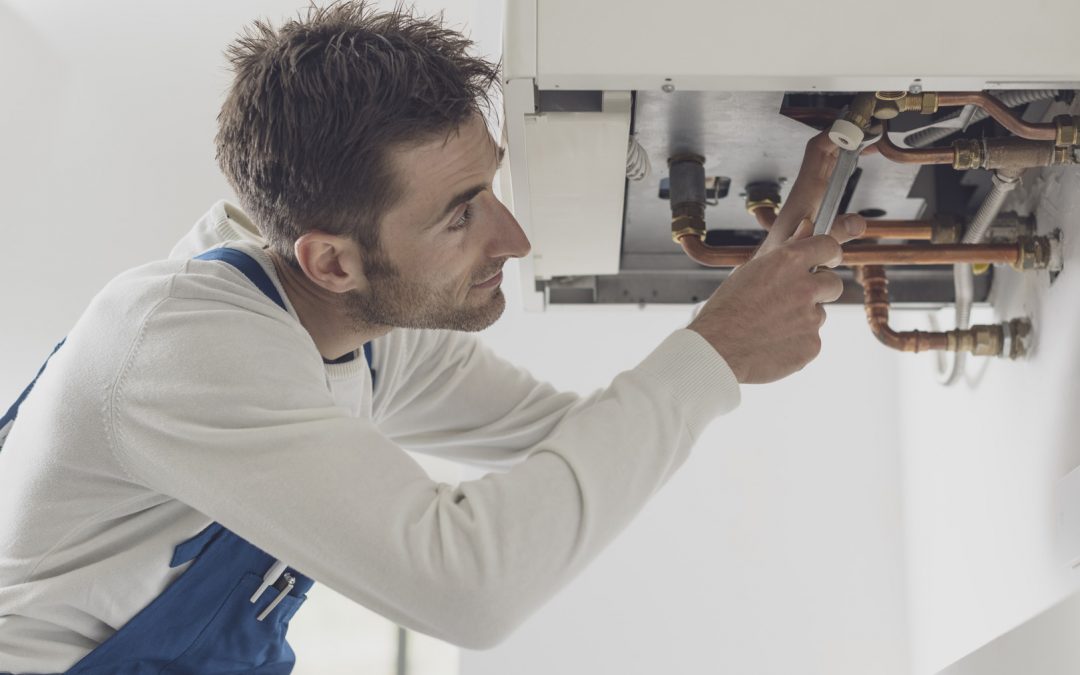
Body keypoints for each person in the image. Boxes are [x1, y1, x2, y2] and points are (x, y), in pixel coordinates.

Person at [0, 2, 865, 672]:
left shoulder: (357, 326)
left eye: (489, 187)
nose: (513, 239)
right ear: (332, 260)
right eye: (461, 216)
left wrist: (724, 340)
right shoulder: (183, 349)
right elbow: (470, 589)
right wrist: (709, 354)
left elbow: (570, 435)